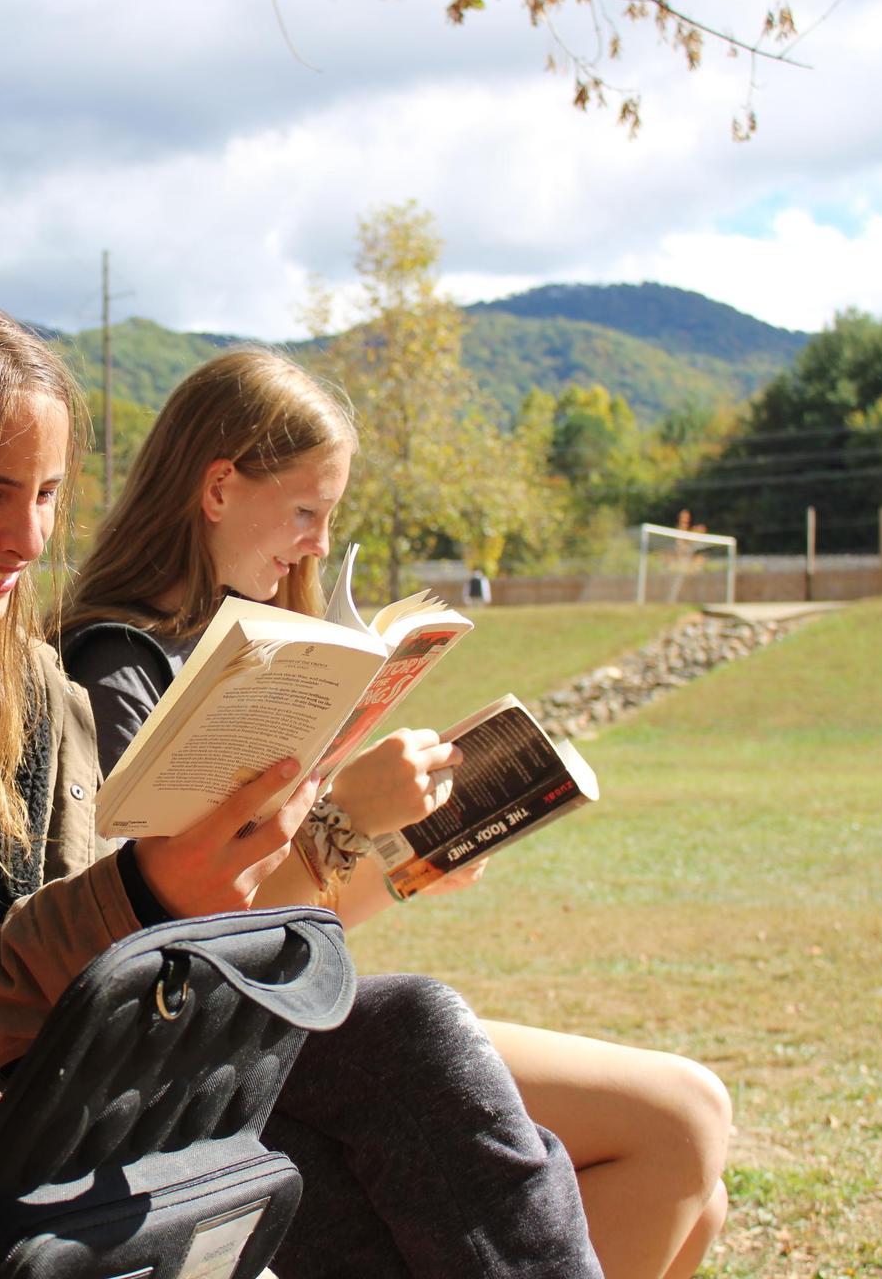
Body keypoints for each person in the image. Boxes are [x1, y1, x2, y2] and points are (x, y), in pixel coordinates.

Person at [0, 299, 603, 1278]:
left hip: (99, 1096)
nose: (26, 534)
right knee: (411, 1045)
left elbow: (122, 956)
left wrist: (270, 871)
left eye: (48, 493)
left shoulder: (33, 685)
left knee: (426, 1101)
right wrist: (145, 894)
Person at [58, 347, 732, 1279]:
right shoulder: (118, 671)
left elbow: (300, 923)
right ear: (217, 489)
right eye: (305, 511)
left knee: (692, 1153)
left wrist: (404, 857)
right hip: (212, 1048)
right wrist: (342, 827)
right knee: (674, 1126)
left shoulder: (262, 647)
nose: (319, 544)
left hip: (292, 1009)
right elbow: (178, 948)